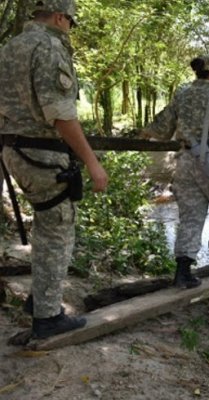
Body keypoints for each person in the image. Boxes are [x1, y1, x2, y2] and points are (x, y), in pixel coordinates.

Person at [0, 0, 108, 339]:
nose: (69, 29)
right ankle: (47, 317)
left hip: (14, 151)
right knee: (57, 228)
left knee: (46, 223)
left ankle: (39, 300)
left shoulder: (11, 48)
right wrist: (93, 163)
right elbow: (61, 114)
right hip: (42, 155)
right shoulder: (48, 47)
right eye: (70, 23)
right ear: (60, 16)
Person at [142, 55, 209, 288]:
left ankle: (183, 271)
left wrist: (145, 132)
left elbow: (162, 127)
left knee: (190, 218)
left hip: (184, 162)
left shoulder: (182, 94)